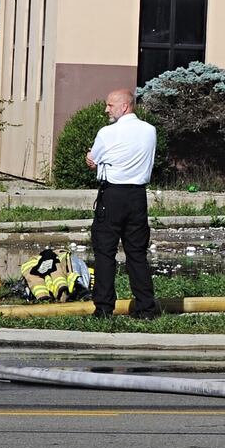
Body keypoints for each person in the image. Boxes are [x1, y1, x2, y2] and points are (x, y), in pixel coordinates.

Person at [85, 90, 159, 319]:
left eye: (110, 105)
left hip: (113, 195)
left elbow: (93, 159)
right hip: (137, 197)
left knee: (105, 252)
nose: (106, 110)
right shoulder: (150, 130)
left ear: (125, 106)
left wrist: (92, 160)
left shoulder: (107, 133)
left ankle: (104, 308)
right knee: (137, 252)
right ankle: (146, 308)